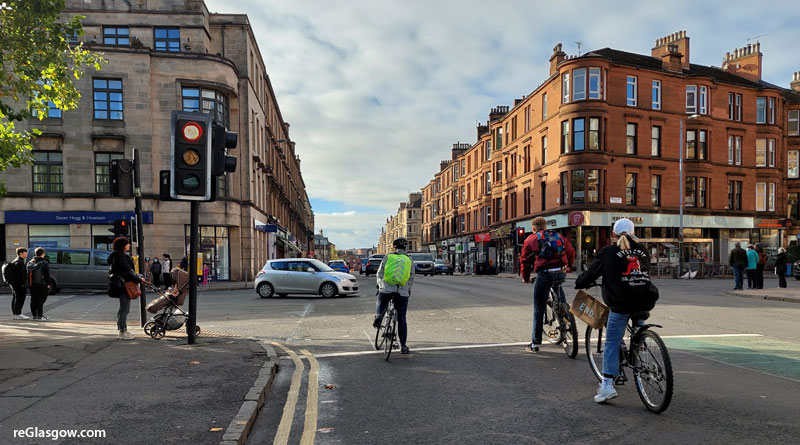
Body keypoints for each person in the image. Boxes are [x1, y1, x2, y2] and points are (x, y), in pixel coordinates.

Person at [575, 218, 659, 404]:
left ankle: (606, 386)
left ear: (613, 234)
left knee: (611, 343)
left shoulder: (608, 251)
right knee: (637, 309)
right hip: (645, 300)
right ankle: (640, 338)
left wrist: (580, 282)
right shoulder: (642, 250)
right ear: (633, 232)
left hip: (621, 303)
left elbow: (592, 273)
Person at [520, 216, 575, 353]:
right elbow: (571, 252)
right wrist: (569, 266)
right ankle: (566, 317)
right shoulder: (559, 237)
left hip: (545, 274)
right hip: (560, 272)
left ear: (533, 228)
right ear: (545, 226)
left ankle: (535, 344)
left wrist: (526, 278)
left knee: (538, 308)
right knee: (560, 296)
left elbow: (525, 261)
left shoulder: (531, 239)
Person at [373, 237, 415, 354]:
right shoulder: (409, 259)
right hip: (402, 291)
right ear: (405, 248)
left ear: (394, 247)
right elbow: (411, 277)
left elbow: (380, 273)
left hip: (387, 287)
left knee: (381, 301)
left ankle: (379, 315)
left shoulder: (388, 256)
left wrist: (380, 285)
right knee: (401, 318)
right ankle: (403, 346)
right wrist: (408, 289)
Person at [108, 237, 144, 340]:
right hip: (124, 286)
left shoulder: (115, 256)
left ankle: (122, 330)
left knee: (123, 308)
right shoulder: (121, 257)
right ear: (123, 246)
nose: (129, 245)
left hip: (119, 285)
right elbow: (128, 271)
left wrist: (138, 277)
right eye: (127, 244)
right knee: (124, 309)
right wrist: (139, 279)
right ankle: (122, 331)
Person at [26, 247, 51, 321]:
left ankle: (34, 315)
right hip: (42, 284)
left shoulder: (30, 262)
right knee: (41, 300)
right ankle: (40, 316)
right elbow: (47, 275)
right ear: (43, 254)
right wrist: (48, 283)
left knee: (33, 299)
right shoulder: (44, 263)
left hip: (32, 284)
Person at [5, 248, 30, 319]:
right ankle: (18, 313)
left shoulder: (15, 260)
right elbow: (20, 275)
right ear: (21, 253)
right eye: (25, 252)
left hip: (14, 284)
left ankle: (16, 313)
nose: (27, 254)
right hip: (19, 284)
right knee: (20, 298)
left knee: (15, 298)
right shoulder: (20, 262)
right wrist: (23, 284)